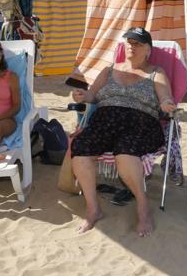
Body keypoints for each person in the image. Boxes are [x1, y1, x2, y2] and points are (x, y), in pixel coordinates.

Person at [71, 27, 176, 237]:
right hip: (104, 121)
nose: (131, 46)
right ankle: (93, 210)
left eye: (137, 43)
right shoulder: (109, 70)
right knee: (80, 148)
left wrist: (166, 104)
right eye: (129, 42)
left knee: (125, 151)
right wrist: (82, 95)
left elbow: (165, 96)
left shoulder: (156, 72)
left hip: (141, 122)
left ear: (148, 49)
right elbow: (92, 96)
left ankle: (142, 206)